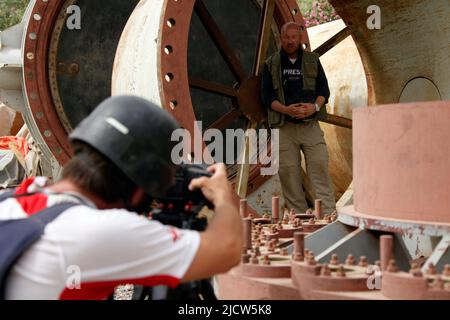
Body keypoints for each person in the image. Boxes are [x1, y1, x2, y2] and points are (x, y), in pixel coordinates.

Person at [0, 96, 242, 300]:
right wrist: (223, 198)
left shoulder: (16, 199)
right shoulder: (99, 230)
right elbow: (226, 251)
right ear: (138, 191)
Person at [261, 21, 335, 214]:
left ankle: (327, 215)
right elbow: (267, 96)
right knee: (288, 172)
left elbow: (324, 90)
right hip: (284, 127)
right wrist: (286, 110)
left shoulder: (312, 60)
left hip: (310, 126)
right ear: (281, 38)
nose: (290, 41)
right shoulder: (271, 64)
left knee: (319, 166)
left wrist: (314, 107)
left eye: (294, 37)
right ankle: (300, 218)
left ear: (300, 38)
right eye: (287, 37)